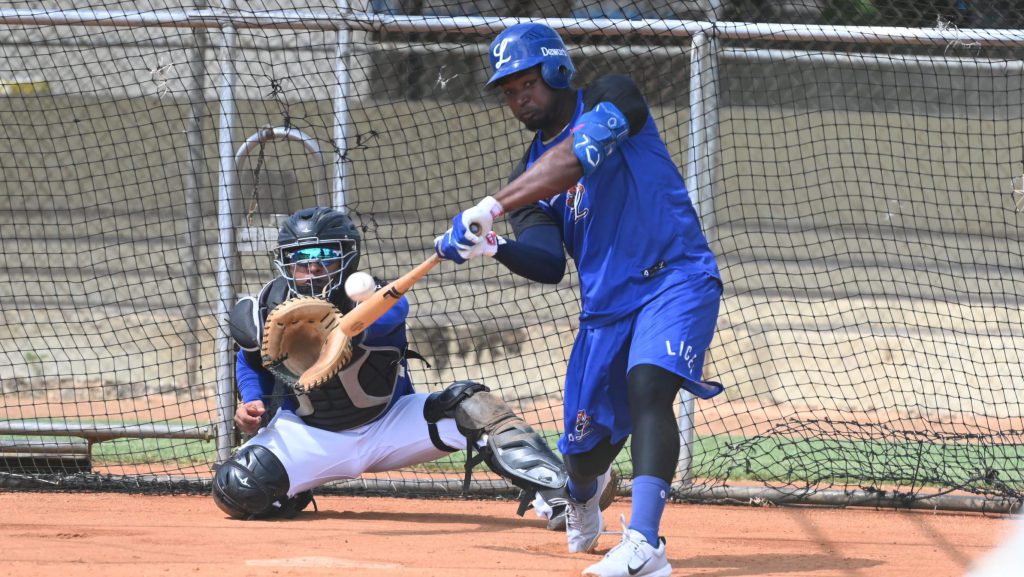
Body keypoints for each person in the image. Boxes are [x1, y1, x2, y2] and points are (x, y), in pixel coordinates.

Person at [434, 23, 724, 577]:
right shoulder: (528, 180)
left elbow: (579, 153)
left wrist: (491, 207)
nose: (519, 100)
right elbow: (546, 264)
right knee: (583, 455)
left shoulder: (616, 96)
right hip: (604, 313)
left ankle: (645, 545)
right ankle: (583, 494)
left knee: (649, 385)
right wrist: (493, 247)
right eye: (509, 91)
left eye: (527, 84)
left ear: (557, 71)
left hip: (676, 276)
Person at [212, 206, 571, 523]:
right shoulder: (263, 309)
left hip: (390, 424)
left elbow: (390, 316)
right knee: (235, 489)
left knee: (474, 405)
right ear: (285, 262)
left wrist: (341, 327)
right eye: (300, 258)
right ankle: (290, 487)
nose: (313, 267)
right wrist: (252, 400)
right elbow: (249, 360)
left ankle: (562, 490)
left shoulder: (378, 300)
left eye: (325, 255)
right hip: (310, 436)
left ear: (348, 259)